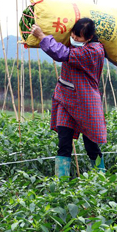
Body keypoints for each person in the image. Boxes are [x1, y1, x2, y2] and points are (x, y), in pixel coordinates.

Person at [29, 19, 107, 177]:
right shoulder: (77, 45)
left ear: (89, 37)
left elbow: (61, 53)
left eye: (79, 36)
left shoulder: (93, 51)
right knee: (64, 143)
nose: (74, 38)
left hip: (86, 103)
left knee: (91, 145)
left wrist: (42, 36)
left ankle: (101, 180)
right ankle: (61, 184)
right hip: (66, 99)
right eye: (73, 34)